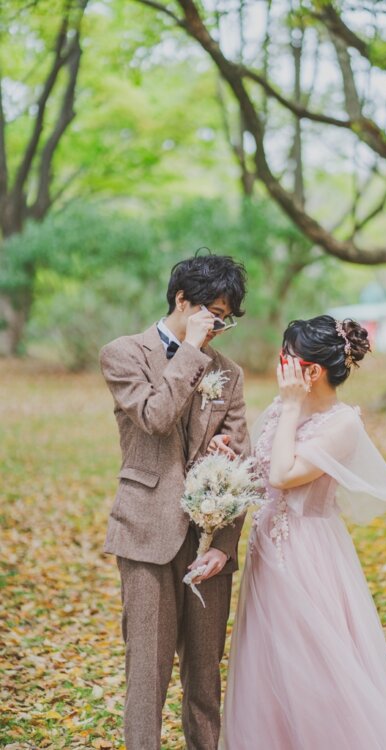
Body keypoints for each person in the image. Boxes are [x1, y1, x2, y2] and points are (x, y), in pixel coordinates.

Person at [222, 315, 386, 750]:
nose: (280, 365)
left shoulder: (342, 424)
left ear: (311, 371)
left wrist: (290, 408)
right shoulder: (280, 409)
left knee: (311, 661)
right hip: (266, 549)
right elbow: (260, 473)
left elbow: (283, 475)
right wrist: (227, 459)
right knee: (268, 658)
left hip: (306, 553)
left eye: (287, 357)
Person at [100, 253, 250, 750]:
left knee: (205, 679)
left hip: (207, 542)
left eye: (225, 319)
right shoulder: (123, 353)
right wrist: (190, 350)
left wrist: (224, 545)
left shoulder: (229, 374)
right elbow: (155, 417)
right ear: (182, 300)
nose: (217, 328)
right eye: (212, 313)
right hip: (145, 534)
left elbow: (241, 462)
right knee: (147, 674)